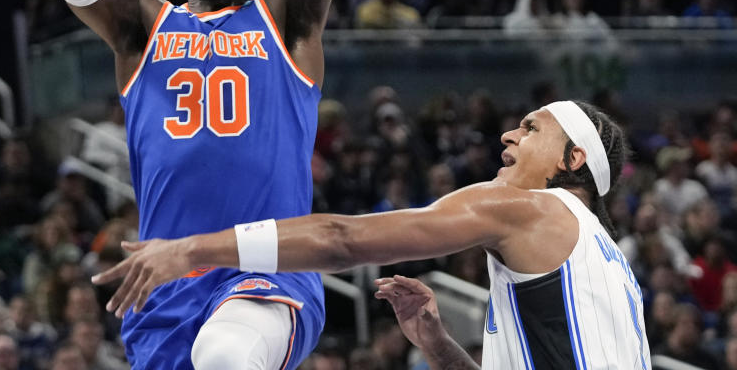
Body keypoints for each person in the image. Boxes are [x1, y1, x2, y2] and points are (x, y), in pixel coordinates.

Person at [34, 0, 346, 370]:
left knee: (225, 355)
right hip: (163, 285)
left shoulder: (288, 18)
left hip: (269, 270)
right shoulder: (142, 27)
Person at [93, 100, 652, 369]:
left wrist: (194, 248)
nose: (509, 132)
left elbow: (343, 239)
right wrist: (438, 345)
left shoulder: (530, 210)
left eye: (531, 128)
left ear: (573, 158)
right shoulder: (611, 266)